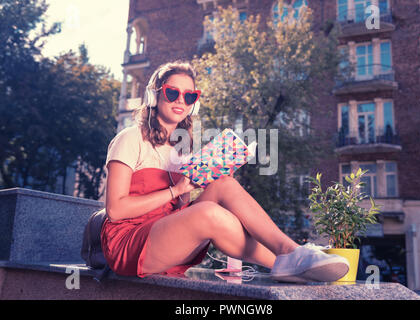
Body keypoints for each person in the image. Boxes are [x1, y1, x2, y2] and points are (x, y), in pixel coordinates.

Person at [100, 60, 350, 282]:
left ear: (193, 104)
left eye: (189, 96)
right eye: (172, 92)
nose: (180, 100)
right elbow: (116, 210)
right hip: (128, 243)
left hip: (165, 235)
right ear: (155, 96)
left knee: (224, 184)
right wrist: (175, 190)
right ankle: (288, 258)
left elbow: (177, 211)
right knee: (209, 211)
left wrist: (200, 186)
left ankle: (290, 257)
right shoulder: (130, 138)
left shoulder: (181, 148)